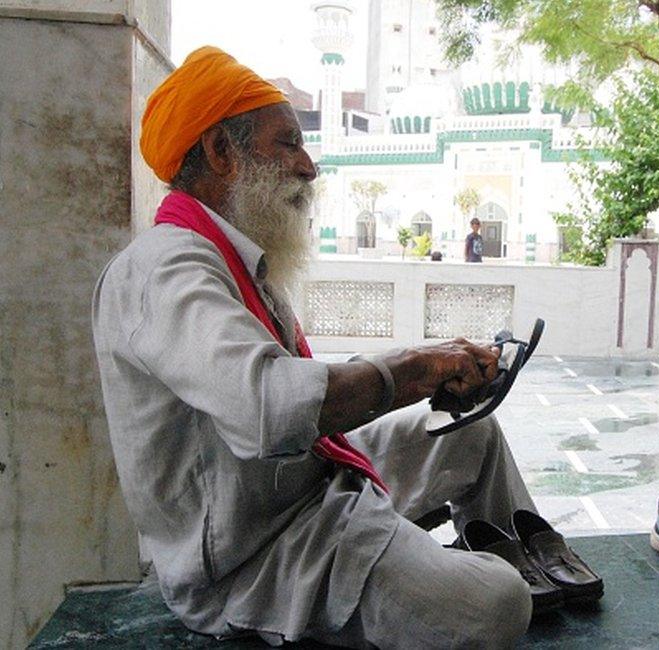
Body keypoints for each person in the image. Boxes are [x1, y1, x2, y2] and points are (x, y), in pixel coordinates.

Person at [91, 47, 590, 648]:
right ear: (222, 152)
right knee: (496, 602)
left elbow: (301, 391)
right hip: (253, 560)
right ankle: (476, 573)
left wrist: (429, 367)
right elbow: (271, 406)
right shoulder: (164, 271)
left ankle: (503, 548)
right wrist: (414, 369)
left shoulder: (234, 260)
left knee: (471, 436)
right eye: (289, 144)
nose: (309, 166)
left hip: (307, 489)